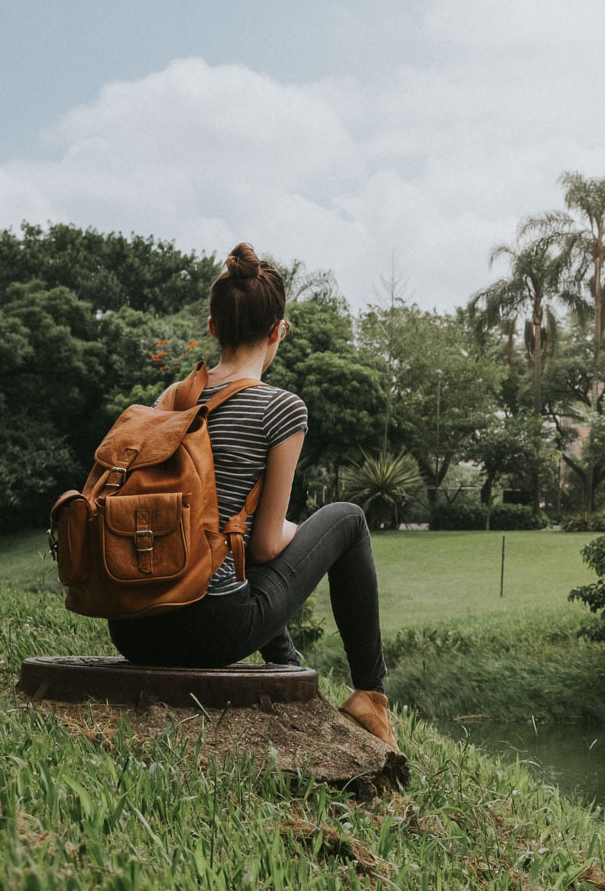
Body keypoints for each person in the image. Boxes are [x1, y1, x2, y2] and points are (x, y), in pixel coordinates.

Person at [107, 243, 396, 751]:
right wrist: (304, 535)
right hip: (211, 631)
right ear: (278, 330)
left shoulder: (171, 398)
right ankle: (370, 696)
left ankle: (286, 667)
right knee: (346, 520)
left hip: (131, 625)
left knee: (228, 539)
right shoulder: (281, 409)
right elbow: (265, 545)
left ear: (213, 328)